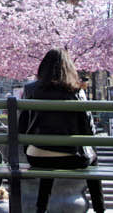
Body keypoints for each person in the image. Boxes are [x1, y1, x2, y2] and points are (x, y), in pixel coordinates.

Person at [17, 48, 105, 213]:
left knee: (47, 158)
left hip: (37, 156)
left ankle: (41, 208)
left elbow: (21, 127)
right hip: (71, 157)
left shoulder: (30, 89)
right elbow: (89, 130)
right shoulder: (76, 91)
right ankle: (100, 209)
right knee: (93, 158)